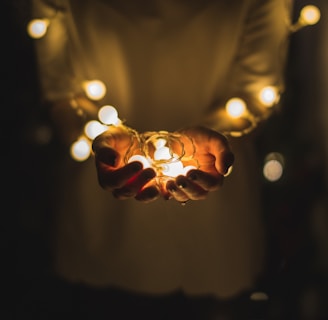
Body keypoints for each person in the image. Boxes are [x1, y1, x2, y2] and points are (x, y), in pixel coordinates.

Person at [19, 0, 294, 318]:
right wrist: (95, 136)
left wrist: (216, 136)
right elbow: (60, 92)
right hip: (99, 225)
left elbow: (255, 91)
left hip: (211, 234)